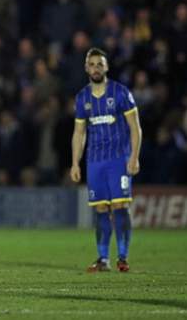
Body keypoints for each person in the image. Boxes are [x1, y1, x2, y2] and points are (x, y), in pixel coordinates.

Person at [70, 48, 142, 273]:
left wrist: (134, 157)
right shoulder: (83, 97)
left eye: (100, 64)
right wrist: (75, 163)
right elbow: (79, 133)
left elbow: (134, 127)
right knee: (101, 208)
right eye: (92, 64)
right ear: (86, 69)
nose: (96, 68)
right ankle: (103, 259)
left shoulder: (121, 93)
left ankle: (122, 257)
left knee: (120, 205)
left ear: (107, 67)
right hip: (95, 161)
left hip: (119, 158)